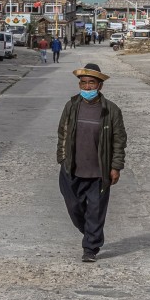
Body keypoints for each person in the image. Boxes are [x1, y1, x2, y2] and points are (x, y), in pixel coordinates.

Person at [57, 63, 127, 263]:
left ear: (100, 85)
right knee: (74, 208)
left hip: (98, 173)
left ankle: (90, 248)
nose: (87, 87)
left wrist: (115, 167)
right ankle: (89, 231)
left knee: (95, 211)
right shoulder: (71, 106)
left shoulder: (111, 110)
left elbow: (119, 141)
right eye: (83, 83)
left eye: (91, 83)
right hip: (72, 170)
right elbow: (62, 133)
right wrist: (62, 158)